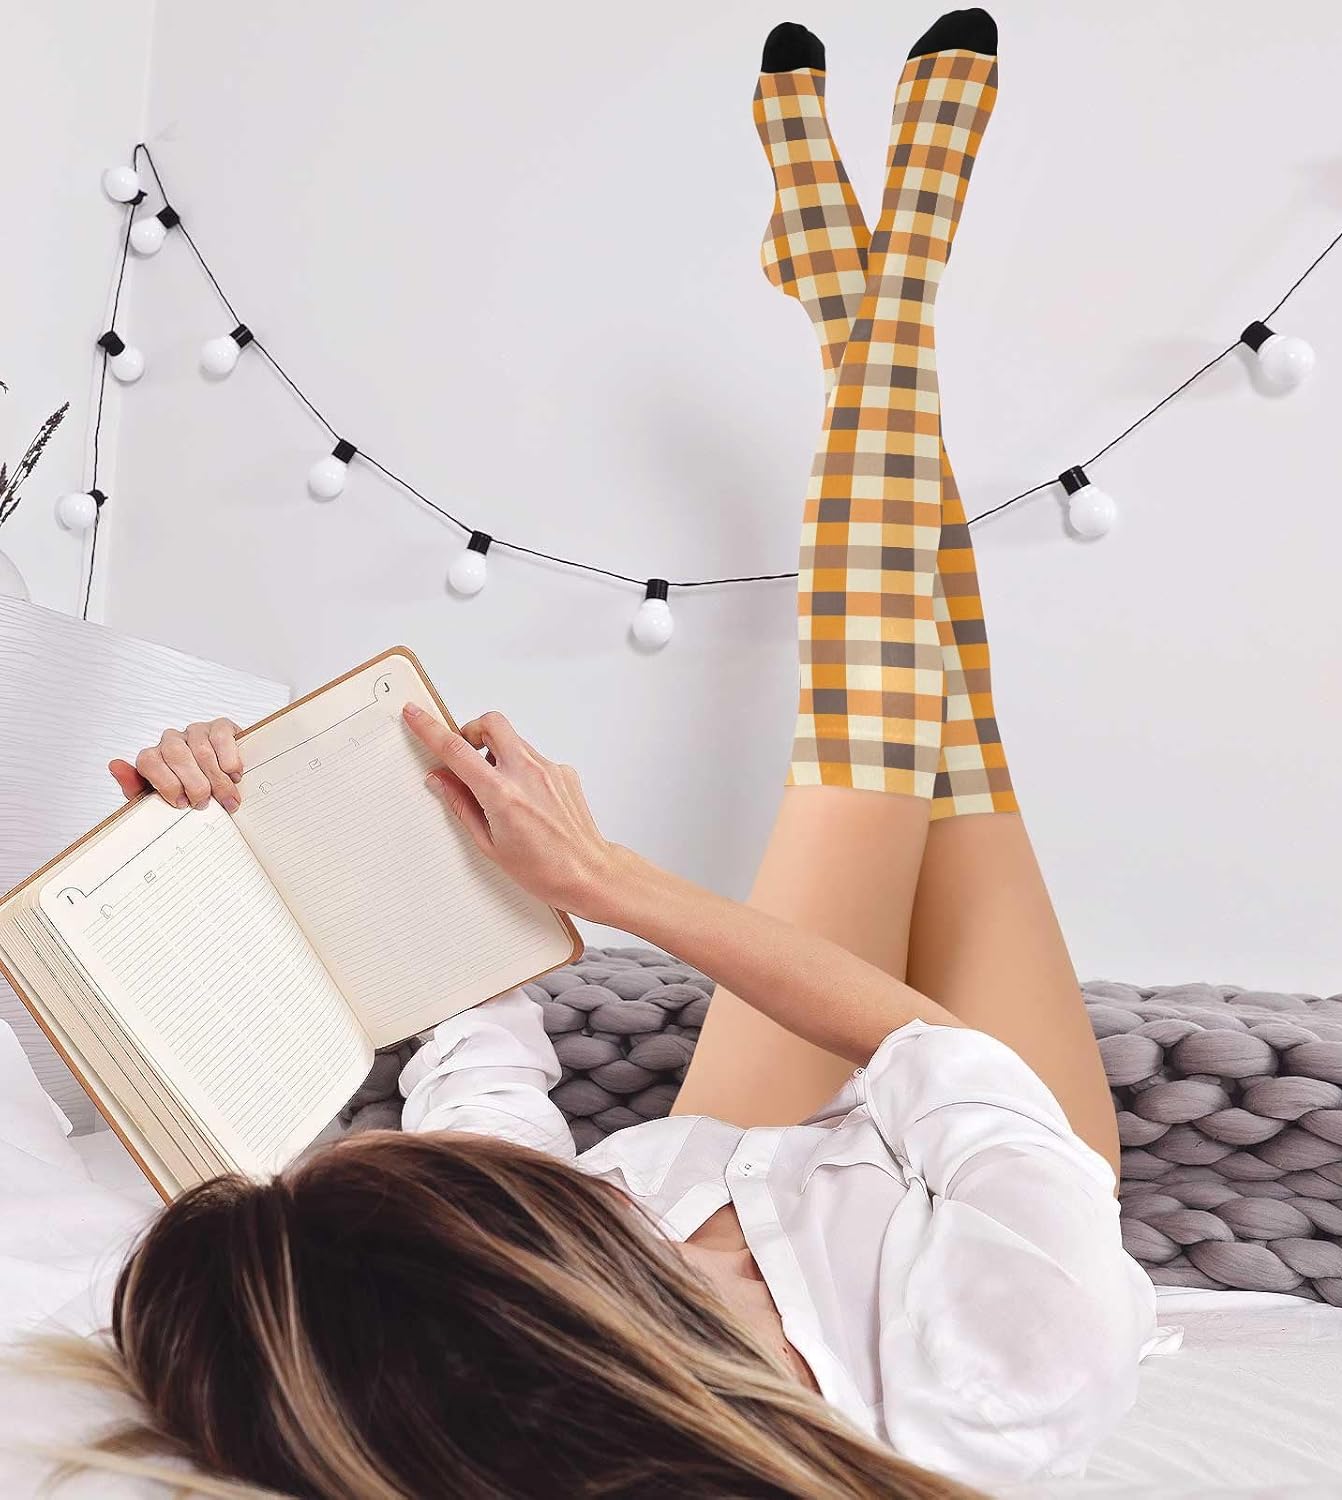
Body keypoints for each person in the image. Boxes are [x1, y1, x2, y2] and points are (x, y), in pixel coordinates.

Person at [73, 11, 1165, 1497]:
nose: (401, 1150)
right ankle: (880, 292)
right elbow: (952, 1062)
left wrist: (240, 831)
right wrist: (603, 879)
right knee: (924, 735)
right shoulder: (1005, 1360)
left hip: (779, 1127)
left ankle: (865, 299)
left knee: (909, 719)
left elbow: (474, 1031)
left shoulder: (539, 1256)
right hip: (1008, 1143)